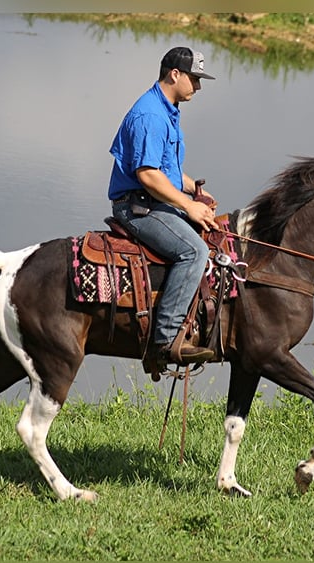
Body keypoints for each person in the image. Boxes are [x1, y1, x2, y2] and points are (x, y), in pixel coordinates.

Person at [108, 46, 220, 365]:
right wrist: (188, 205)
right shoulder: (150, 115)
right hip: (139, 208)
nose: (197, 86)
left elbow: (165, 168)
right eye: (194, 79)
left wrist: (195, 191)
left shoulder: (166, 108)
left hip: (154, 202)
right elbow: (147, 174)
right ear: (175, 74)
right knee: (194, 251)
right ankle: (165, 340)